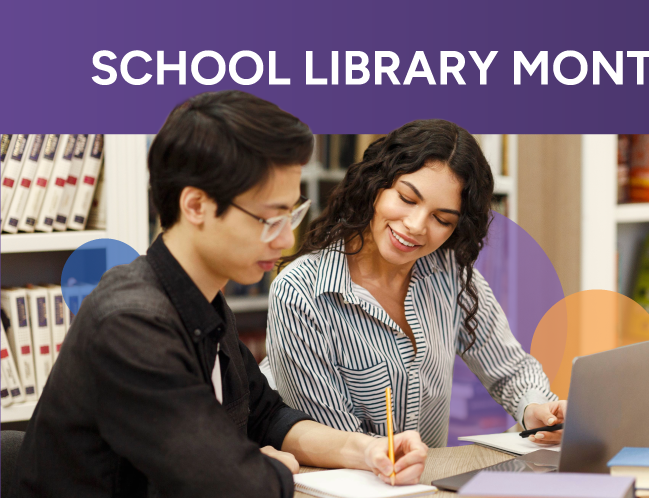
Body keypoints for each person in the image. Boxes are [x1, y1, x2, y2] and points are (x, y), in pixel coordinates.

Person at [13, 91, 427, 498]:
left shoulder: (204, 300)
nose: (286, 240)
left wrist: (367, 449)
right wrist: (257, 466)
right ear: (196, 205)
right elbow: (226, 483)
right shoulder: (132, 322)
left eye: (291, 214)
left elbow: (267, 416)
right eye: (270, 219)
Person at [265, 120, 566, 449]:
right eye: (407, 199)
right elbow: (335, 442)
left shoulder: (449, 271)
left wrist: (535, 408)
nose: (416, 226)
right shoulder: (300, 292)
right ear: (376, 185)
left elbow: (510, 368)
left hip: (426, 477)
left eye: (442, 219)